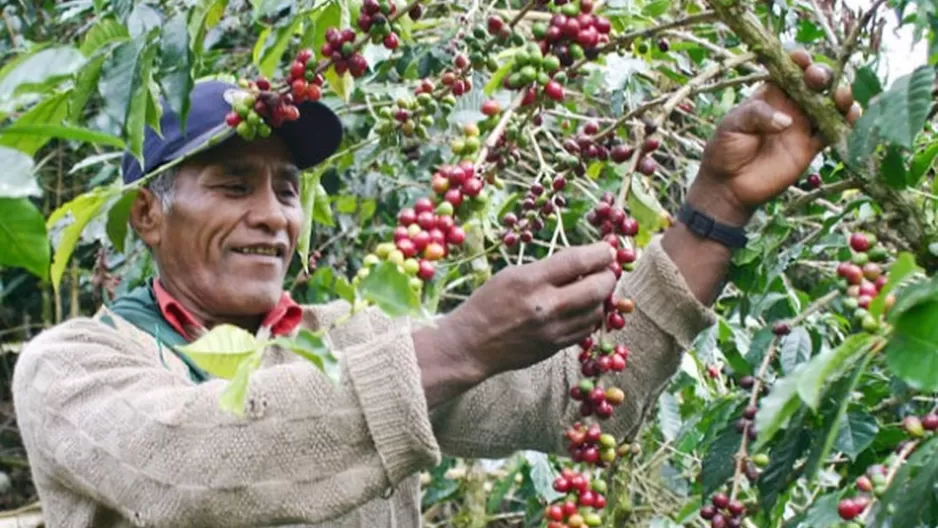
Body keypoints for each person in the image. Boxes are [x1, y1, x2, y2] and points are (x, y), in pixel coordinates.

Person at [12, 48, 860, 527]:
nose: (273, 216)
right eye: (233, 186)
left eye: (287, 189)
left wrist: (715, 206)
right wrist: (456, 345)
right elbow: (190, 469)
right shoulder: (74, 365)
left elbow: (582, 401)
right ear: (148, 218)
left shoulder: (351, 336)